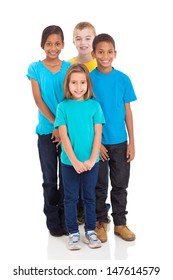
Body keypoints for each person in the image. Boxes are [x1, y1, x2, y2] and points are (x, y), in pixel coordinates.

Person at [90, 33, 137, 242]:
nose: (105, 56)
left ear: (115, 54)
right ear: (93, 54)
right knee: (99, 185)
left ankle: (120, 223)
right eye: (100, 52)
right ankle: (101, 222)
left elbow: (128, 112)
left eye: (109, 52)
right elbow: (86, 113)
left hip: (120, 142)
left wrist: (132, 142)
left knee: (120, 184)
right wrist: (96, 143)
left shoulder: (123, 79)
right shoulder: (89, 79)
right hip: (97, 143)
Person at [27, 25, 72, 237]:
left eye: (57, 43)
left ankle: (66, 219)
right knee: (49, 178)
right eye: (48, 44)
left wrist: (62, 128)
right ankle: (53, 222)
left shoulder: (69, 67)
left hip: (68, 132)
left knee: (66, 177)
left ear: (63, 45)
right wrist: (55, 125)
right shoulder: (35, 68)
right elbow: (38, 99)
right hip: (46, 132)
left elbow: (72, 99)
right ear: (42, 45)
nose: (53, 48)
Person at [54, 64, 105, 250]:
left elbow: (98, 134)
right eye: (74, 82)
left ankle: (90, 231)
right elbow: (64, 136)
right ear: (67, 85)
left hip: (92, 162)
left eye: (82, 82)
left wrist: (92, 159)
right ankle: (73, 233)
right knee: (70, 198)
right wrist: (74, 161)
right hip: (69, 163)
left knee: (90, 196)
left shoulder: (94, 106)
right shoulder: (62, 107)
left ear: (88, 84)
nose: (78, 86)